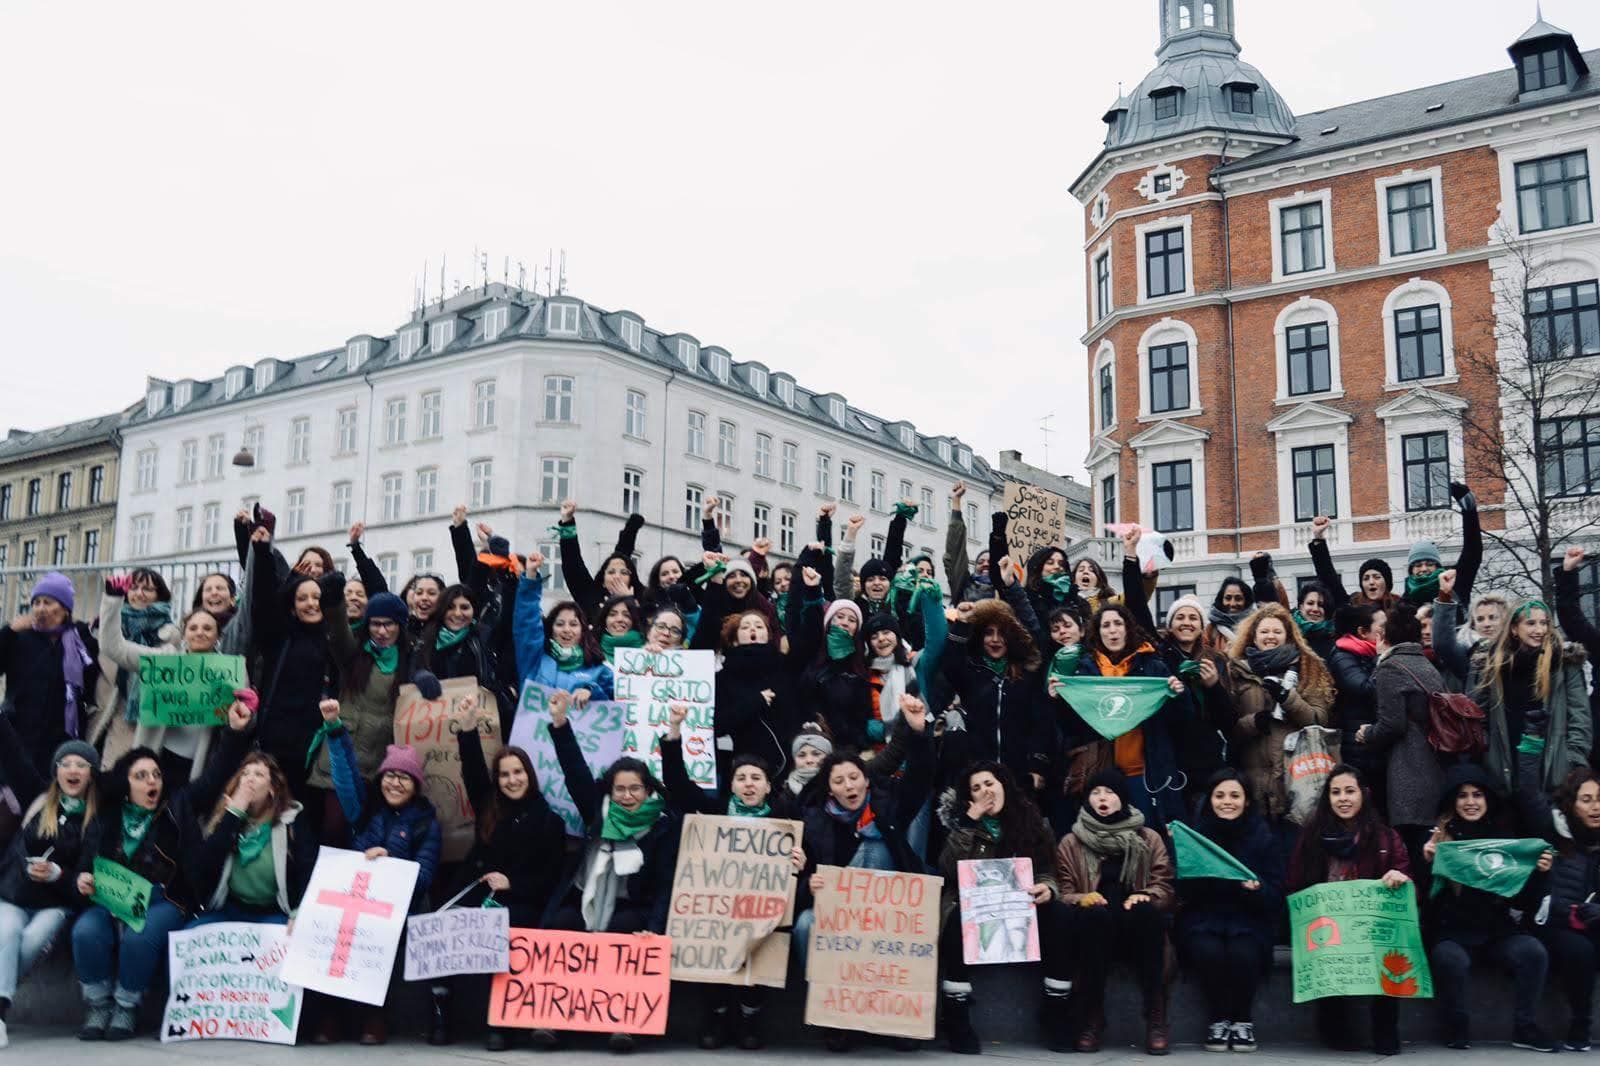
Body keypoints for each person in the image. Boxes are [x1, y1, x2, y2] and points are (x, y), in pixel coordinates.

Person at [73, 698, 254, 1041]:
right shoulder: (107, 818)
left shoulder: (178, 806)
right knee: (85, 931)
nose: (151, 781)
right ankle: (98, 1005)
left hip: (164, 899)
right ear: (126, 785)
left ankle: (127, 1005)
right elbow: (84, 866)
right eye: (141, 776)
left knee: (142, 935)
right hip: (112, 900)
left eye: (155, 775)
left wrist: (233, 732)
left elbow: (215, 776)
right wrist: (81, 879)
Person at [660, 703, 805, 1050]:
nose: (749, 784)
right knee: (711, 952)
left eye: (756, 778)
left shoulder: (786, 817)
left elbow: (807, 860)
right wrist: (675, 732)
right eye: (742, 778)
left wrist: (801, 861)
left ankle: (749, 1019)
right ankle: (716, 1016)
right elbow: (677, 784)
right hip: (717, 908)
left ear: (769, 786)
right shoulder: (713, 810)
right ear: (733, 784)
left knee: (758, 956)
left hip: (763, 910)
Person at [544, 689, 680, 1053]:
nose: (627, 796)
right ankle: (552, 1019)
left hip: (631, 907)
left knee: (623, 932)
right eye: (619, 789)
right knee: (561, 924)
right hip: (585, 896)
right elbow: (575, 772)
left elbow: (666, 881)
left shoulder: (664, 825)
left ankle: (624, 1024)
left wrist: (654, 928)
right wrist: (560, 724)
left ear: (647, 789)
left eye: (635, 788)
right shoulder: (598, 811)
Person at [795, 703, 933, 1053]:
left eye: (854, 777)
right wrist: (808, 883)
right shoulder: (814, 821)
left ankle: (897, 1019)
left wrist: (918, 733)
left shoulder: (889, 807)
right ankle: (834, 1014)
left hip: (889, 919)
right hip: (840, 919)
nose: (849, 786)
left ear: (866, 780)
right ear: (830, 789)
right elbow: (802, 875)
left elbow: (921, 777)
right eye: (839, 781)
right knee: (805, 925)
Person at [447, 694, 567, 1051]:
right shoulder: (489, 807)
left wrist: (513, 883)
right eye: (504, 775)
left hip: (525, 902)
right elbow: (471, 768)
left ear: (529, 775)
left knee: (505, 928)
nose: (512, 780)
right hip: (482, 896)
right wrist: (467, 726)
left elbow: (552, 876)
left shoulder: (549, 820)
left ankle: (500, 1022)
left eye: (518, 772)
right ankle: (442, 1013)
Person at [936, 761, 1074, 1054]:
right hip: (973, 908)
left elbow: (1048, 870)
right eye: (976, 789)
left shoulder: (1032, 821)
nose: (984, 791)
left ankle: (1056, 1009)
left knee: (1060, 915)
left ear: (1003, 786)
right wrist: (969, 823)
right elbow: (948, 868)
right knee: (954, 920)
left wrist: (1047, 888)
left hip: (1019, 907)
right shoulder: (961, 823)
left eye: (989, 784)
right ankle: (956, 1015)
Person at [325, 710, 443, 1046]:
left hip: (403, 908)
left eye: (403, 777)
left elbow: (424, 877)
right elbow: (345, 777)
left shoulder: (425, 823)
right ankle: (331, 1014)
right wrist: (335, 730)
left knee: (379, 934)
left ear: (415, 785)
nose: (395, 782)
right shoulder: (367, 813)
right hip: (360, 901)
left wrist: (390, 865)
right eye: (389, 775)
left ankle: (376, 1016)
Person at [1422, 764, 1555, 1052]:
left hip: (1498, 932)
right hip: (1454, 934)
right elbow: (1424, 903)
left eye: (1477, 795)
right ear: (1452, 802)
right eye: (1463, 796)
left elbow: (1523, 902)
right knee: (1450, 958)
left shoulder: (1505, 841)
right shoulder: (1440, 840)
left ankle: (1525, 1027)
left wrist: (1539, 873)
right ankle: (1456, 1026)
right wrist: (1428, 866)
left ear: (1488, 799)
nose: (1470, 802)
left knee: (1533, 952)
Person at [1434, 570, 1592, 806]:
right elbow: (1477, 717)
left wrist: (1572, 761)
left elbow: (1580, 718)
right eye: (1531, 623)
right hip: (1503, 774)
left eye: (1544, 623)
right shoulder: (1489, 664)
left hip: (1553, 775)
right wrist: (1488, 757)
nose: (1539, 629)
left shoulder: (1564, 664)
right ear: (1515, 629)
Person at [1287, 764, 1411, 1056]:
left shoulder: (1385, 838)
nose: (1343, 798)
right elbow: (1294, 883)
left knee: (1387, 952)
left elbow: (1410, 888)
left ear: (1364, 795)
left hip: (1372, 925)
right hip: (1327, 926)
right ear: (1327, 798)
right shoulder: (1312, 837)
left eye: (1350, 791)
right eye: (1336, 792)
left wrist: (1399, 880)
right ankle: (1334, 1029)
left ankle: (1385, 1030)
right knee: (1328, 949)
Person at [1054, 769, 1176, 1055]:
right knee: (1093, 915)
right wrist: (1083, 898)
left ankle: (1155, 1017)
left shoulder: (1148, 837)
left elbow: (1165, 886)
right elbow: (1063, 891)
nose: (1102, 798)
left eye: (1109, 792)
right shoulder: (1071, 842)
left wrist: (1144, 896)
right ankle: (1092, 1017)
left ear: (1122, 798)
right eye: (1095, 793)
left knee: (1147, 913)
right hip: (1095, 929)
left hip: (1135, 926)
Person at [1174, 770, 1283, 1053]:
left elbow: (1276, 893)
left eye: (1235, 796)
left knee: (1243, 953)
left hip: (1249, 917)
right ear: (1209, 800)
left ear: (1246, 801)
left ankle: (1242, 1020)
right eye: (1219, 795)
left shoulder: (1264, 837)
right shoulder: (1196, 836)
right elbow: (1183, 891)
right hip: (1204, 916)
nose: (1227, 802)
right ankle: (1218, 1019)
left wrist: (1257, 890)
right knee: (1208, 951)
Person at [0, 737, 97, 1047]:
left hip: (55, 903)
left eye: (81, 765)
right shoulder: (40, 798)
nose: (72, 770)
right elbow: (14, 755)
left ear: (91, 774)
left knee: (31, 940)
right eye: (65, 764)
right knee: (8, 933)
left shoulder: (97, 820)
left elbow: (85, 878)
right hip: (15, 894)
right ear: (56, 772)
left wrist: (58, 875)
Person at [1064, 604, 1189, 826]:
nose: (1112, 630)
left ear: (1128, 628)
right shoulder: (1085, 671)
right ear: (1098, 632)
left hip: (1145, 772)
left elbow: (1181, 720)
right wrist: (1059, 697)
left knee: (1148, 835)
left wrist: (1179, 694)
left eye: (1118, 623)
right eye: (1106, 625)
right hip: (1101, 772)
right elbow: (1072, 725)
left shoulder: (1152, 666)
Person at [98, 585, 228, 789]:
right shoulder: (164, 660)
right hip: (158, 758)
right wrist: (113, 601)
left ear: (218, 636)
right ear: (184, 635)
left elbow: (239, 721)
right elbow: (113, 648)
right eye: (193, 628)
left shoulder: (228, 672)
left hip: (200, 767)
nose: (200, 633)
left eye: (207, 628)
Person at [1226, 604, 1335, 830]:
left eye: (1277, 632)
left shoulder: (1308, 668)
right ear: (1253, 637)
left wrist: (1288, 699)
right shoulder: (1236, 671)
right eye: (1264, 632)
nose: (1270, 637)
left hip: (1297, 781)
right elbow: (1227, 728)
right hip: (1253, 786)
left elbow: (1318, 720)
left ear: (1288, 636)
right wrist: (1253, 723)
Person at [1362, 603, 1445, 886]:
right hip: (1433, 768)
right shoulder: (1426, 664)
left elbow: (1392, 725)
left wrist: (1366, 734)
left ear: (1385, 637)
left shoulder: (1391, 668)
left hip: (1408, 771)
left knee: (1410, 855)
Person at [190, 743, 315, 927]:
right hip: (228, 910)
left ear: (272, 788)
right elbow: (204, 869)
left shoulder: (292, 823)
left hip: (271, 914)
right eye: (245, 774)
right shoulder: (227, 816)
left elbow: (308, 871)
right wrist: (232, 815)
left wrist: (299, 913)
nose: (249, 779)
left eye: (258, 774)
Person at [0, 573, 98, 781]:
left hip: (62, 737)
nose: (40, 608)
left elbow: (93, 682)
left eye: (48, 602)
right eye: (36, 602)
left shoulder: (81, 640)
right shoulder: (19, 637)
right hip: (20, 733)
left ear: (64, 609)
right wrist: (7, 632)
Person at [1541, 767, 1600, 1052]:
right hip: (1557, 923)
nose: (1596, 807)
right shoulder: (1555, 834)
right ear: (1571, 804)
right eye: (1586, 799)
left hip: (1594, 920)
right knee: (1580, 950)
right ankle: (1580, 1024)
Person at [513, 553, 615, 703]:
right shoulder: (534, 660)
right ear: (551, 630)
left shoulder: (600, 671)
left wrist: (592, 692)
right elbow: (526, 622)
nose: (567, 629)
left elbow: (620, 704)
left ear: (583, 631)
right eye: (560, 624)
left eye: (573, 624)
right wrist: (530, 577)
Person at [1328, 603, 1385, 810]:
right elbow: (1365, 688)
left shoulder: (1367, 654)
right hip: (1357, 748)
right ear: (1362, 632)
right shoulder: (1342, 655)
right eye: (1382, 627)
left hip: (1375, 743)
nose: (1386, 632)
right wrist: (1382, 658)